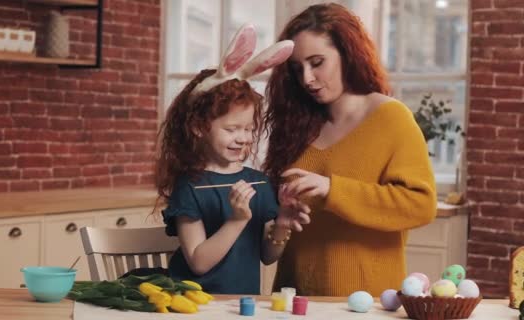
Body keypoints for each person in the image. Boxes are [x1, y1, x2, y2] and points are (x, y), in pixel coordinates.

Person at [263, 3, 437, 297]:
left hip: (365, 302)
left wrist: (333, 190)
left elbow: (421, 204)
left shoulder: (390, 118)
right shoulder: (294, 127)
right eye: (297, 68)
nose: (306, 78)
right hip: (295, 300)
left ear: (347, 53)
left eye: (317, 62)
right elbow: (278, 228)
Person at [155, 24, 310, 294]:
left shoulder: (258, 183)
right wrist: (238, 219)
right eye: (231, 129)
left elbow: (267, 256)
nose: (243, 138)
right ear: (199, 127)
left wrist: (283, 222)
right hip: (197, 305)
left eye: (249, 129)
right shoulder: (189, 187)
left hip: (242, 305)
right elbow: (199, 262)